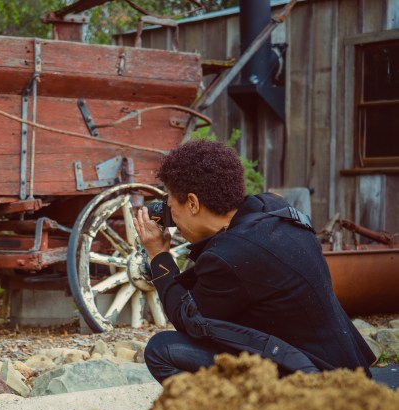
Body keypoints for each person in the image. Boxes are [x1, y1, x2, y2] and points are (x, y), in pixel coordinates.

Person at [133, 140, 375, 384]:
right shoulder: (277, 211)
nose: (171, 216)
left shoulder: (228, 256)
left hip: (314, 381)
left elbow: (188, 320)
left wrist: (158, 255)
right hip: (348, 366)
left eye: (173, 207)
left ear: (193, 203)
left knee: (161, 349)